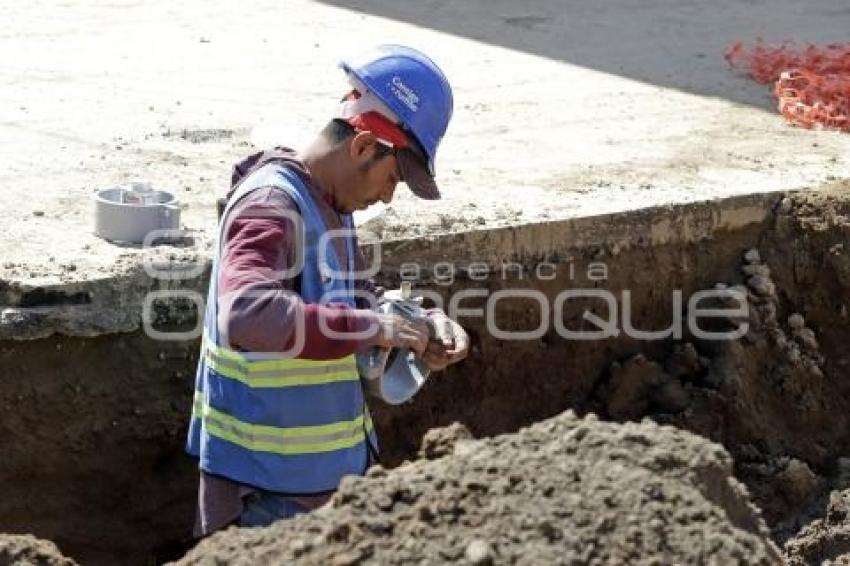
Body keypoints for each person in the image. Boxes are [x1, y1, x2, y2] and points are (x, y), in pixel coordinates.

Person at [186, 44, 469, 536]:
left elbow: (351, 298)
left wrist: (420, 322)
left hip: (313, 485)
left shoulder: (331, 206)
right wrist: (374, 328)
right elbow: (248, 314)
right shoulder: (271, 205)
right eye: (394, 178)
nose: (387, 195)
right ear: (362, 146)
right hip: (265, 496)